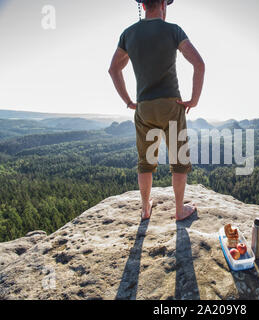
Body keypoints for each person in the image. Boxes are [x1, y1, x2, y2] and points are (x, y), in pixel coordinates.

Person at [108, 0, 205, 221]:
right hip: (172, 105)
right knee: (178, 160)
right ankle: (180, 211)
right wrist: (194, 100)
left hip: (144, 106)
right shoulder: (173, 30)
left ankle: (145, 209)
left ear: (142, 4)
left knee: (145, 161)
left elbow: (114, 69)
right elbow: (199, 63)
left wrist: (128, 101)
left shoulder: (128, 34)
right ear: (163, 3)